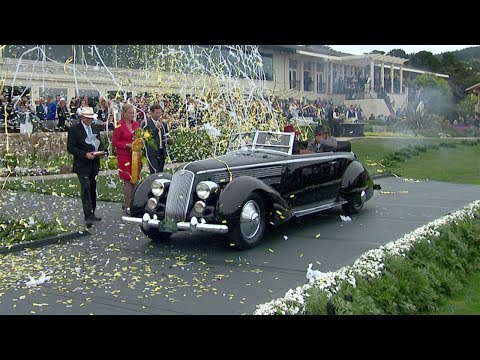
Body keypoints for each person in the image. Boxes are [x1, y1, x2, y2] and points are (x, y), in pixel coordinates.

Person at [67, 107, 105, 228]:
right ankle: (87, 214)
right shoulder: (74, 130)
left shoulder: (94, 127)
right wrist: (85, 154)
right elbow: (71, 147)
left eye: (91, 119)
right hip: (82, 164)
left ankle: (92, 212)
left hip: (94, 163)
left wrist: (101, 152)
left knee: (93, 188)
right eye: (88, 118)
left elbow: (99, 141)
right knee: (86, 188)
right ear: (82, 118)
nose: (90, 121)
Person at [112, 103, 140, 214]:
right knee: (128, 180)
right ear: (124, 114)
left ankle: (134, 202)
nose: (132, 115)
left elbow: (139, 137)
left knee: (135, 179)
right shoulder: (119, 126)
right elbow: (115, 142)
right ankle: (127, 204)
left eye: (133, 112)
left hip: (135, 155)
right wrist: (127, 145)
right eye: (130, 113)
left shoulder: (136, 125)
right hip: (124, 156)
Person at [143, 104, 174, 174]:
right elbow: (146, 136)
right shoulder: (146, 123)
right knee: (154, 172)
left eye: (160, 113)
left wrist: (169, 140)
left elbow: (166, 135)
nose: (158, 115)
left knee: (160, 172)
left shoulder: (164, 124)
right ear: (151, 112)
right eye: (156, 113)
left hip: (161, 151)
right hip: (152, 152)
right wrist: (156, 128)